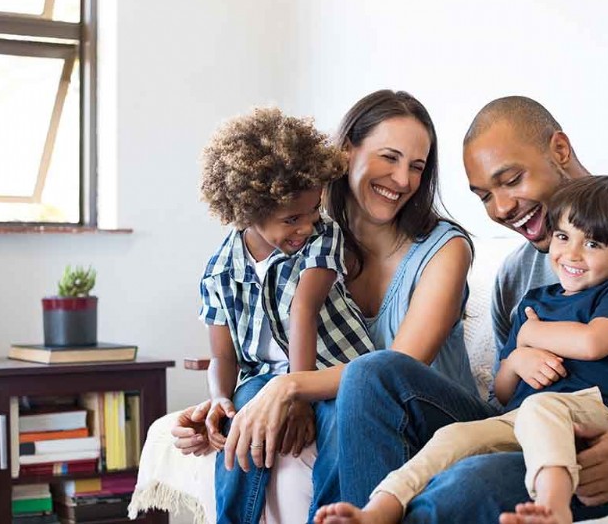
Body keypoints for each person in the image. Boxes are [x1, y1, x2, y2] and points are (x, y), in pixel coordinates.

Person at [328, 96, 608, 523]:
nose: (500, 209)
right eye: (484, 197)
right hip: (526, 432)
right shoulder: (516, 275)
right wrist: (517, 360)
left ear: (559, 150)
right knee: (373, 374)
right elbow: (505, 397)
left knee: (464, 486)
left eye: (511, 180)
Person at [172, 90, 480, 523]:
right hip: (345, 401)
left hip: (429, 415)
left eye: (416, 166)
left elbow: (396, 369)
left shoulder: (444, 250)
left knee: (359, 387)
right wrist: (224, 405)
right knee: (257, 411)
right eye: (389, 157)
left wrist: (290, 386)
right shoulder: (304, 238)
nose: (403, 180)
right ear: (346, 151)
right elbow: (260, 342)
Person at [315, 175, 608, 524]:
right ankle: (379, 509)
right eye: (563, 237)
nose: (572, 254)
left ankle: (554, 507)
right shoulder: (534, 302)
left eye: (593, 244)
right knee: (453, 436)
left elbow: (593, 342)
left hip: (588, 413)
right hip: (517, 419)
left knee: (541, 406)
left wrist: (531, 335)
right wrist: (518, 357)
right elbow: (503, 391)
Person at [197, 107, 377, 522]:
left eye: (313, 210)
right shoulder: (220, 271)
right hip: (262, 378)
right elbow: (223, 356)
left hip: (334, 370)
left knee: (339, 425)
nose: (306, 226)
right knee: (241, 422)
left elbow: (304, 309)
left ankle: (332, 516)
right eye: (291, 219)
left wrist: (297, 395)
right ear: (247, 210)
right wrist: (219, 399)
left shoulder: (322, 236)